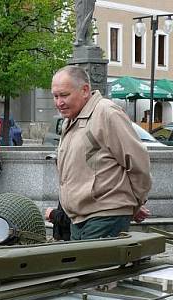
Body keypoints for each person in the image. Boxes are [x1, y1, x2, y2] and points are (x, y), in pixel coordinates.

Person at [52, 65, 151, 240]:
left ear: (85, 90)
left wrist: (134, 203)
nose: (59, 102)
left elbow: (137, 161)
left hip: (104, 215)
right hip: (81, 217)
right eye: (55, 96)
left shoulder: (106, 113)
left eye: (64, 95)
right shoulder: (72, 118)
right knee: (83, 267)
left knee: (90, 267)